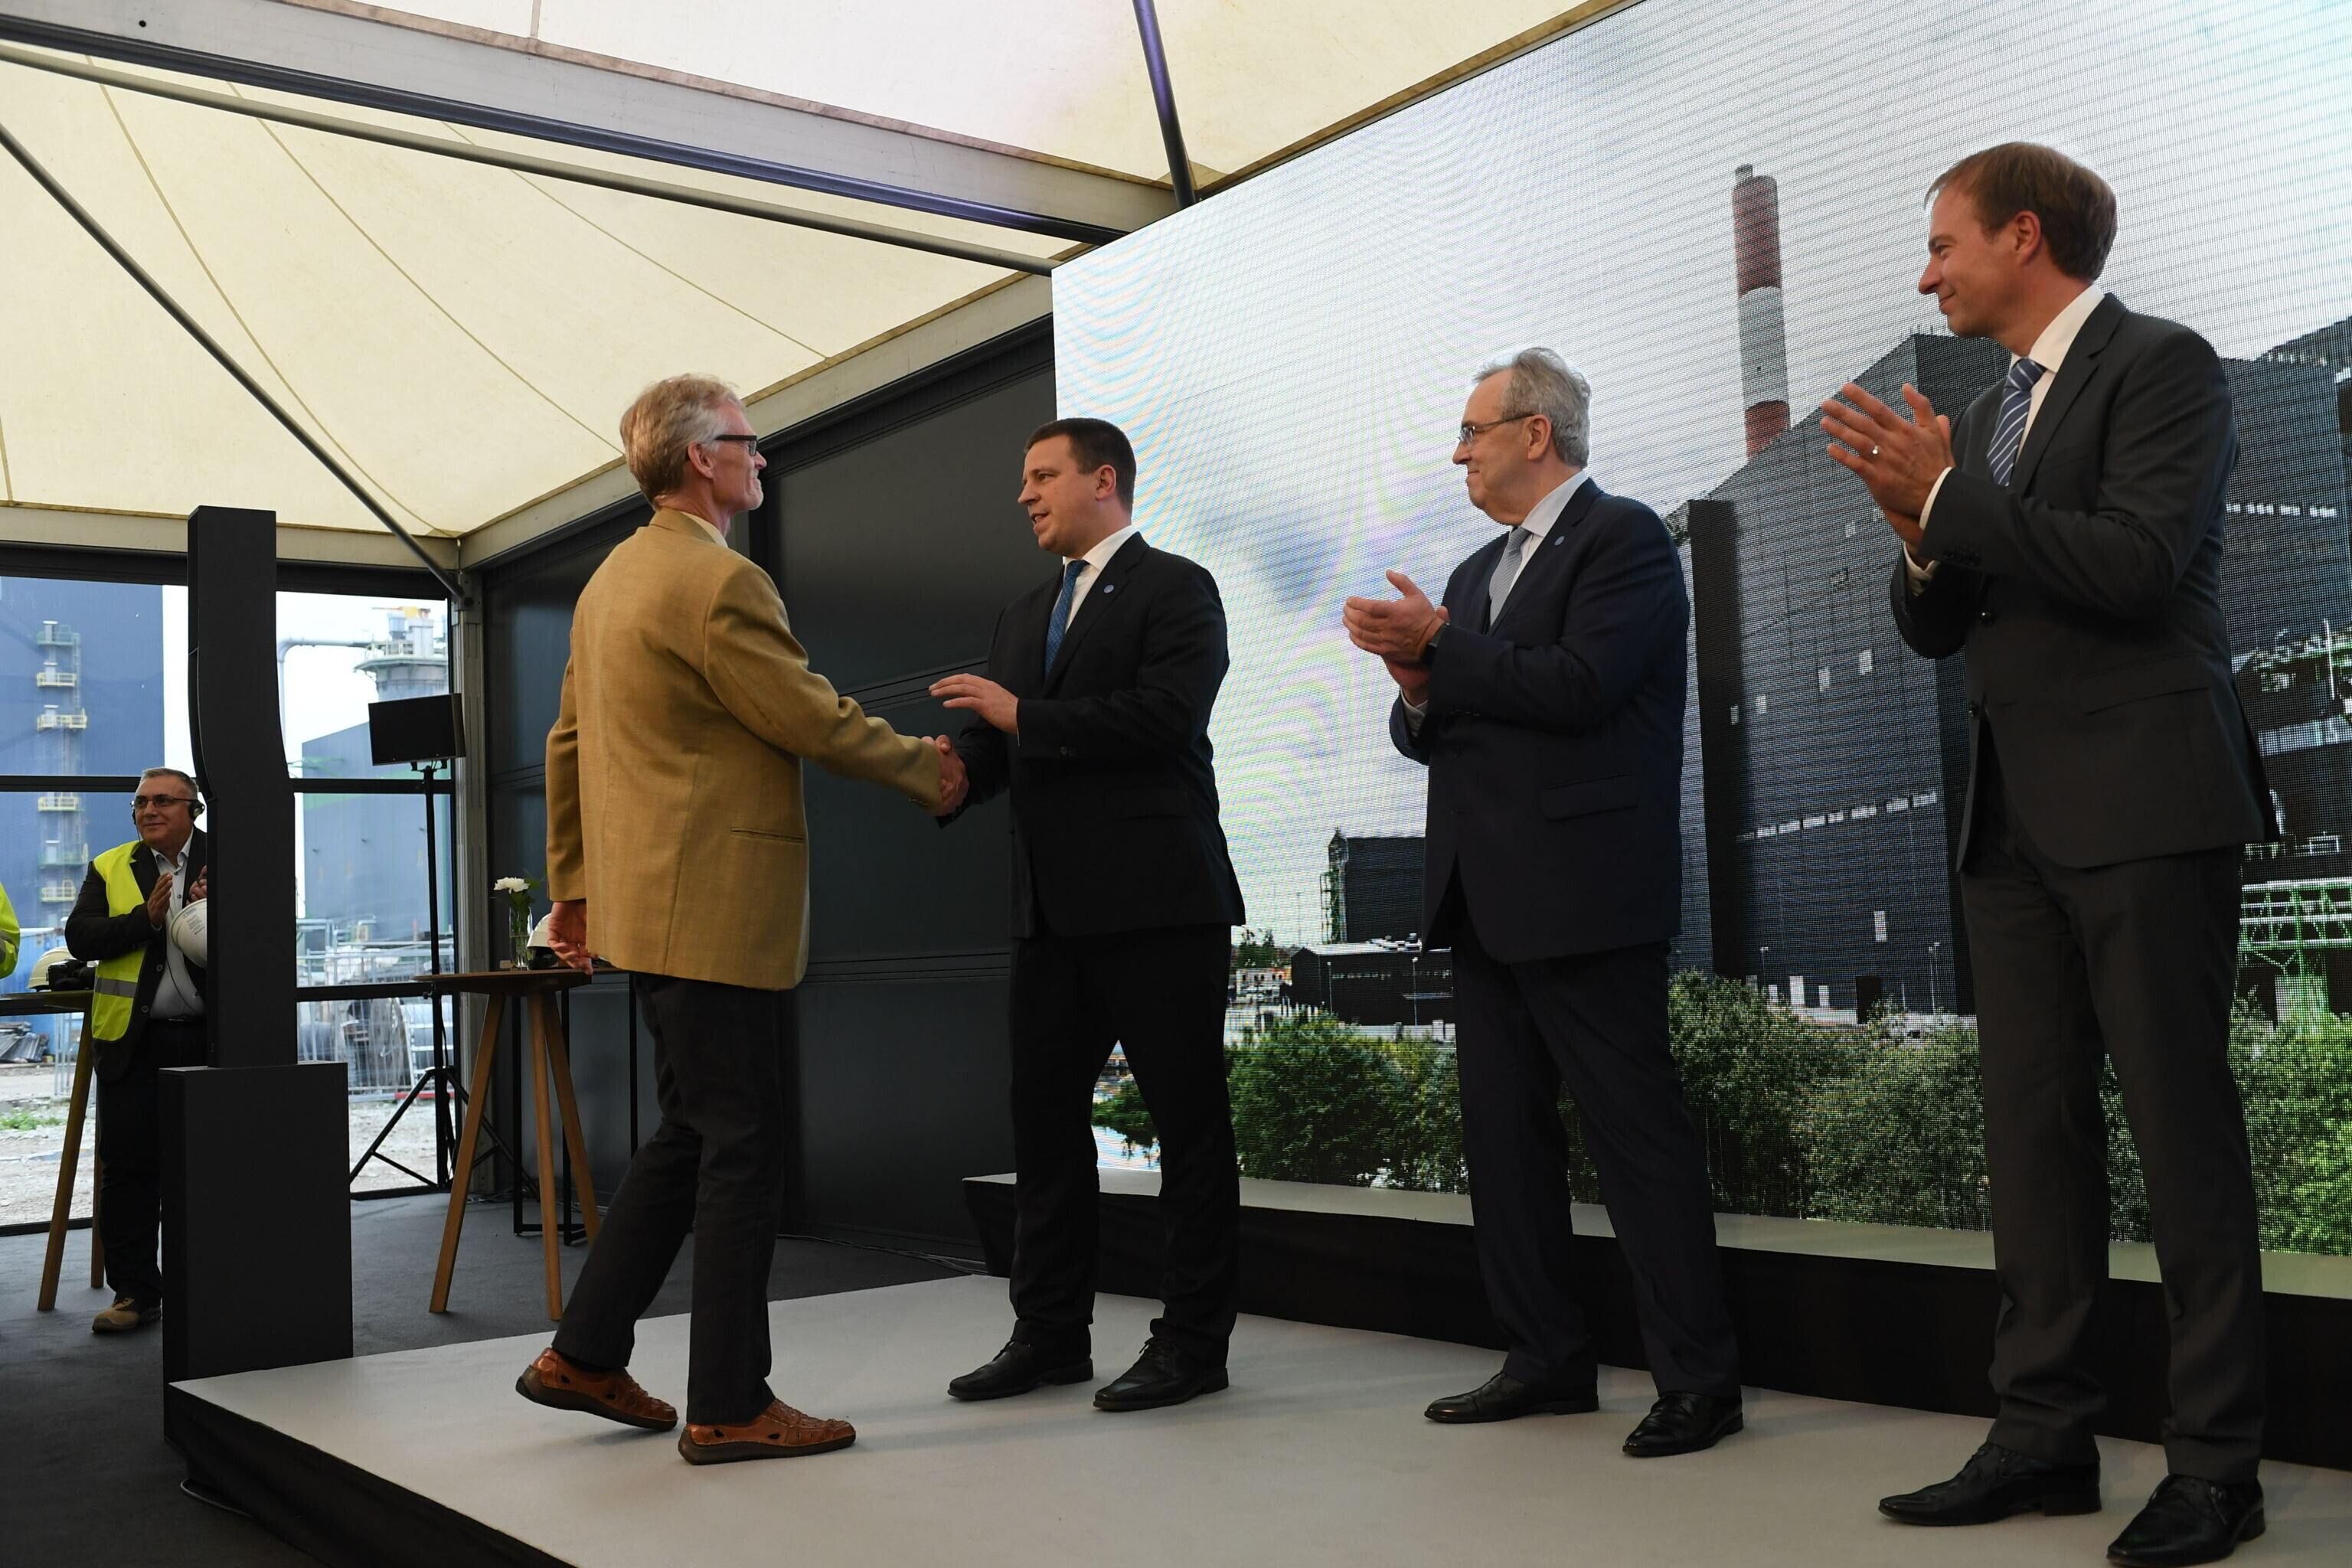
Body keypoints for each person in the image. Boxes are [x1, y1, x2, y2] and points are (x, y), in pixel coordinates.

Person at [1823, 143, 2269, 1566]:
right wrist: (1919, 535)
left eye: (1941, 244)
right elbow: (1939, 625)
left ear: (2024, 235)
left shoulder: (2164, 365)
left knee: (2182, 1141)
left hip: (2147, 807)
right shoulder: (1981, 415)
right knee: (2030, 1140)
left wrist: (1952, 500)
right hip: (2010, 822)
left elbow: (2136, 565)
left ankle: (2217, 1468)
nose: (1926, 276)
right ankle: (2041, 1439)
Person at [515, 374, 965, 1466]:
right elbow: (804, 713)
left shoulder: (612, 581)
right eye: (748, 440)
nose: (762, 457)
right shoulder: (720, 580)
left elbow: (566, 743)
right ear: (699, 458)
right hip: (714, 907)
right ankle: (727, 1401)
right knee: (741, 1147)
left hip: (647, 909)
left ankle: (583, 1353)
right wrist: (927, 769)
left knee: (691, 1133)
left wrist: (574, 888)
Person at [1344, 349, 1743, 1457]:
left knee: (1636, 1144)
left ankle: (1699, 1382)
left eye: (1472, 432)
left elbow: (1581, 687)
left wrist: (1443, 649)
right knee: (1504, 1147)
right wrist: (1417, 688)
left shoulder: (1626, 539)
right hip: (1482, 902)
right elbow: (1443, 729)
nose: (1458, 453)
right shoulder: (1475, 573)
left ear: (1535, 433)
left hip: (1588, 896)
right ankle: (1545, 1360)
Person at [930, 416, 1246, 1413]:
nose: (1023, 494)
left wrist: (1020, 716)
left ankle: (1192, 1343)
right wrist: (950, 774)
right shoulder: (1023, 612)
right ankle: (1050, 1335)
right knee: (1046, 1130)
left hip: (1159, 905)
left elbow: (1166, 716)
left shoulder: (1178, 587)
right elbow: (997, 750)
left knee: (1189, 1129)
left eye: (1042, 475)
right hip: (1050, 915)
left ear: (1103, 480)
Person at [64, 768, 210, 1336]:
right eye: (140, 803)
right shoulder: (110, 865)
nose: (148, 811)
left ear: (193, 809)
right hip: (133, 1041)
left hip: (214, 1038)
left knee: (214, 1166)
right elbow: (81, 937)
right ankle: (136, 1293)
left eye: (163, 801)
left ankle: (216, 1285)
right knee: (128, 1171)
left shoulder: (229, 858)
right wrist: (145, 921)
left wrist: (216, 914)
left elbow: (274, 929)